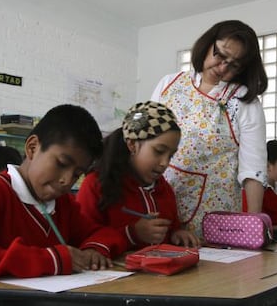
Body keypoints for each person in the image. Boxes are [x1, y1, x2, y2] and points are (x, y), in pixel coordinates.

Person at [0, 104, 128, 281]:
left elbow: (105, 234)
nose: (67, 180)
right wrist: (51, 259)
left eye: (77, 174)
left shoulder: (64, 205)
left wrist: (94, 249)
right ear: (32, 148)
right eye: (61, 164)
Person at [151, 20, 268, 238]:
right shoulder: (169, 84)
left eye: (233, 65)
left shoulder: (243, 101)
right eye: (220, 55)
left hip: (216, 219)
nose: (222, 68)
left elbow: (253, 170)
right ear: (207, 44)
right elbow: (146, 145)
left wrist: (253, 228)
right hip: (160, 209)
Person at [77, 101, 200, 249]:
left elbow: (172, 228)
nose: (165, 163)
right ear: (132, 145)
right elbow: (84, 239)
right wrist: (132, 234)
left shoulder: (164, 189)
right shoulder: (96, 185)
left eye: (171, 156)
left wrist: (177, 234)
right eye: (159, 151)